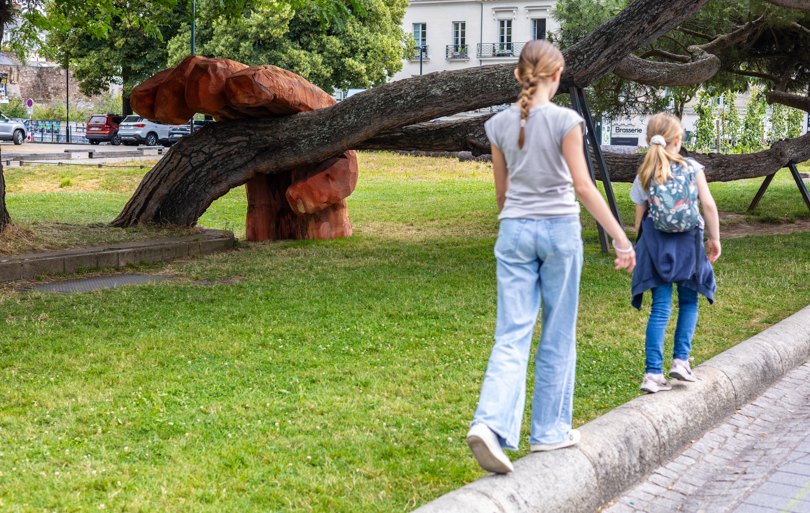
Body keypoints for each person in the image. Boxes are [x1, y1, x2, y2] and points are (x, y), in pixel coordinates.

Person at [465, 40, 636, 475]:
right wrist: (621, 238)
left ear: (518, 76)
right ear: (557, 77)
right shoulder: (566, 119)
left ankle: (490, 424)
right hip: (559, 231)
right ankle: (548, 432)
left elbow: (501, 195)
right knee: (558, 331)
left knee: (512, 333)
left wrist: (518, 224)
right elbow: (583, 186)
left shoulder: (497, 124)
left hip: (513, 232)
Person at [629, 113, 721, 394]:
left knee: (660, 308)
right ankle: (681, 361)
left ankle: (652, 374)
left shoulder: (645, 172)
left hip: (656, 246)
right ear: (678, 141)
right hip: (688, 244)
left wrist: (641, 245)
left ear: (649, 141)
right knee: (689, 301)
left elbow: (638, 221)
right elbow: (708, 205)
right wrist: (714, 238)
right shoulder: (693, 167)